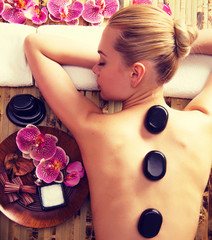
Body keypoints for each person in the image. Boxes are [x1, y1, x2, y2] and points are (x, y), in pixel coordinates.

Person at [24, 4, 212, 240]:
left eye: (102, 61)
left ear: (135, 74)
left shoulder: (94, 129)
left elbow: (36, 45)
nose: (94, 69)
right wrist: (164, 54)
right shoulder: (203, 124)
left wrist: (155, 55)